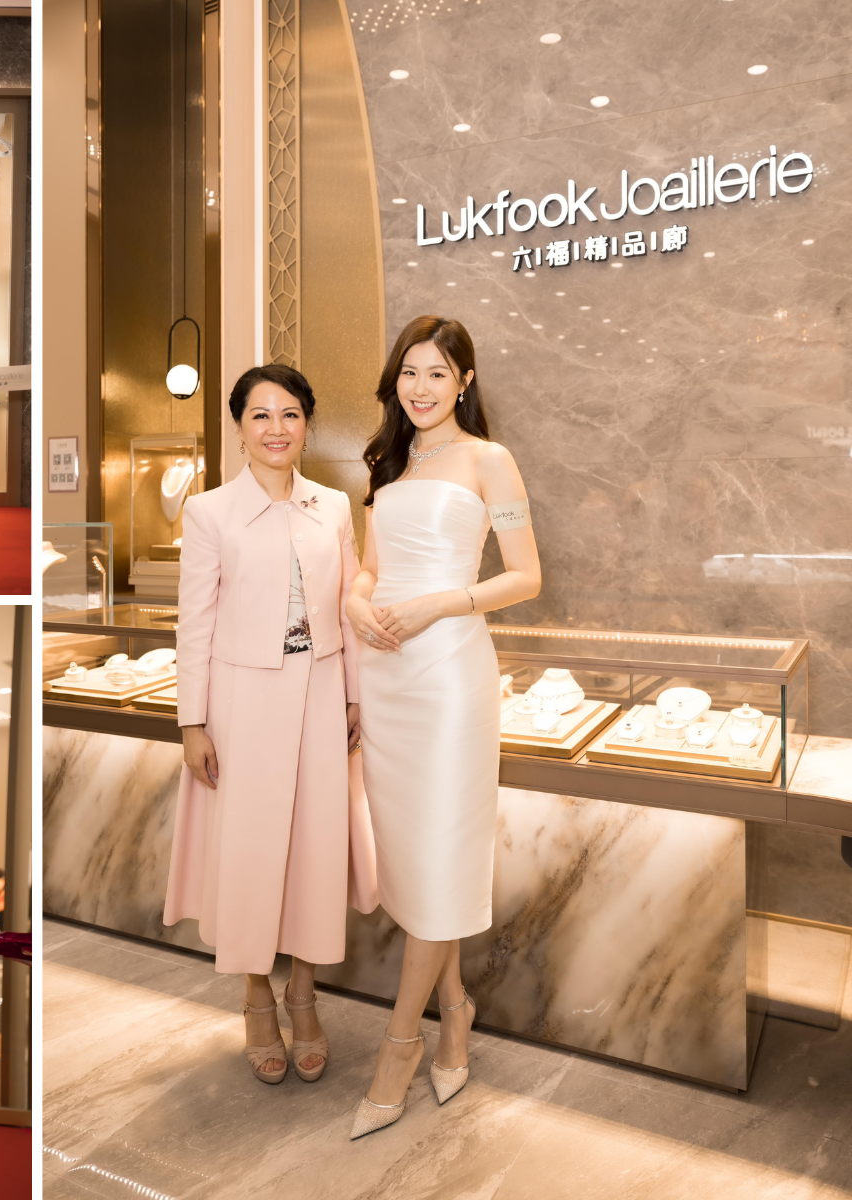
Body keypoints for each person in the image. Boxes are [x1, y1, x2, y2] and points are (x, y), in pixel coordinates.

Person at [344, 315, 541, 1139]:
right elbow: (368, 567)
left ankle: (401, 1044)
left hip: (452, 672)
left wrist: (439, 602)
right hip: (384, 673)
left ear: (464, 381)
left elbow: (528, 577)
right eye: (408, 374)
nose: (419, 388)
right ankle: (455, 1010)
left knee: (437, 855)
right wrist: (359, 600)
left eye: (436, 373)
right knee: (415, 865)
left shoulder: (488, 459)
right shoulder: (389, 462)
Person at [164, 363, 367, 1087]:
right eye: (261, 416)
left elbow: (350, 606)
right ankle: (256, 997)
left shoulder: (335, 506)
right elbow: (195, 625)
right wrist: (193, 721)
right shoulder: (210, 512)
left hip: (319, 695)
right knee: (247, 852)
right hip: (240, 701)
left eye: (289, 415)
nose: (276, 429)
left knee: (316, 847)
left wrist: (353, 693)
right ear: (239, 427)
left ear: (308, 423)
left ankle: (304, 995)